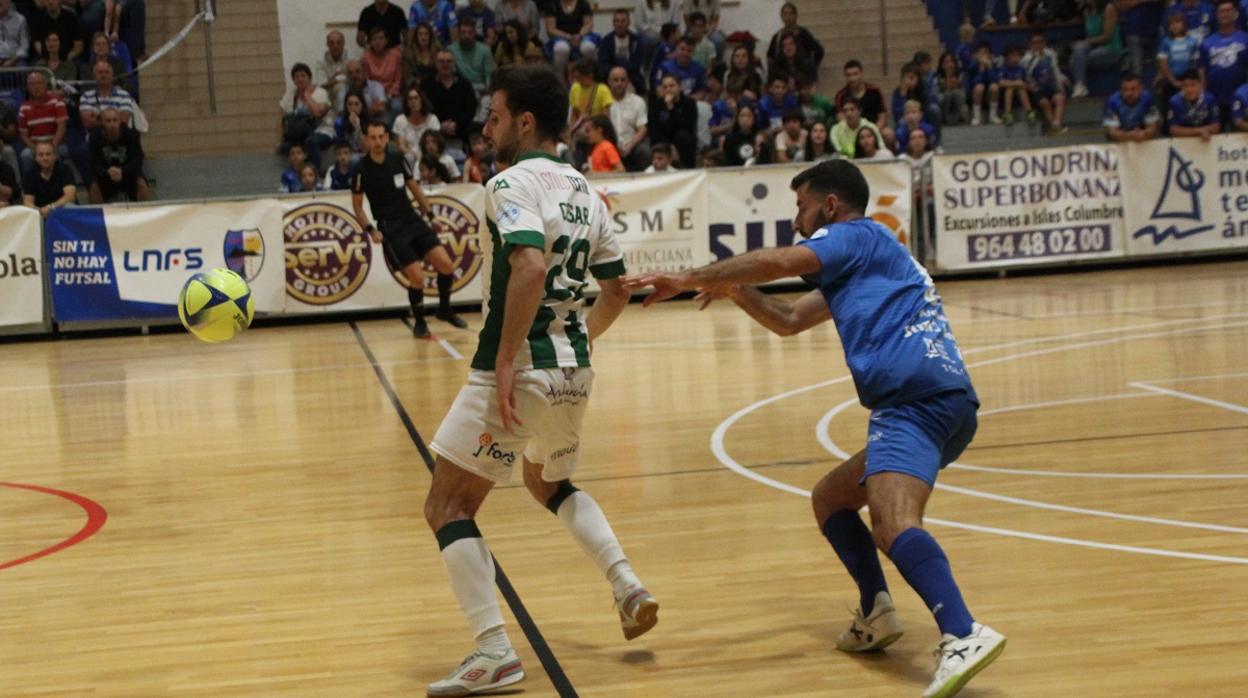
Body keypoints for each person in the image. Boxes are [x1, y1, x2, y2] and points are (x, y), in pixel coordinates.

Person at [624, 158, 1007, 698]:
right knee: (831, 498)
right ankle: (877, 610)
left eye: (801, 206)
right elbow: (788, 321)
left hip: (912, 400)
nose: (796, 218)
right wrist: (735, 288)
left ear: (829, 206)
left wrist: (690, 277)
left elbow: (780, 259)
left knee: (894, 523)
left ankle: (963, 632)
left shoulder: (854, 236)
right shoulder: (865, 262)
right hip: (945, 401)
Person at [421, 63, 652, 698]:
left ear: (524, 123)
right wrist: (577, 343)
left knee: (447, 506)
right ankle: (627, 585)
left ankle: (495, 652)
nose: (486, 129)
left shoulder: (508, 182)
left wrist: (505, 361)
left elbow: (526, 269)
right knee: (546, 481)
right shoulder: (587, 192)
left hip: (519, 368)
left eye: (493, 117)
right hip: (573, 369)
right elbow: (616, 291)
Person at [352, 120, 465, 337]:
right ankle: (420, 322)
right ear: (366, 140)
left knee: (446, 265)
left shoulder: (397, 159)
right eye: (373, 137)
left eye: (381, 137)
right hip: (390, 227)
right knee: (417, 277)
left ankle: (444, 309)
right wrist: (371, 230)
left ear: (387, 138)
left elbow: (414, 188)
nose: (377, 141)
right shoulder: (361, 169)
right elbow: (357, 205)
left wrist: (431, 215)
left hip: (412, 219)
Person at [1199, 0, 1248, 129]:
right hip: (1215, 98)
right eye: (1222, 11)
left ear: (1236, 13)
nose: (1225, 14)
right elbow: (1202, 70)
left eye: (1228, 10)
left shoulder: (1245, 39)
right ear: (1216, 15)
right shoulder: (1206, 43)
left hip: (1241, 99)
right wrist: (1204, 95)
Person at [279, 62, 334, 166]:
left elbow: (318, 113)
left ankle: (316, 171)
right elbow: (283, 118)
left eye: (303, 76)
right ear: (293, 80)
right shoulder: (291, 94)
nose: (300, 79)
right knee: (285, 147)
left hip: (322, 131)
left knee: (310, 141)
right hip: (300, 133)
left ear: (309, 78)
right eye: (297, 76)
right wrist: (280, 139)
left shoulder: (320, 92)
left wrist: (307, 95)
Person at [88, 107, 148, 202]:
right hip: (105, 175)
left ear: (120, 121)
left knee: (141, 183)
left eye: (115, 120)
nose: (112, 124)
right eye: (108, 121)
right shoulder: (95, 136)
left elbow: (137, 160)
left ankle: (143, 210)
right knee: (94, 186)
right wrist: (107, 172)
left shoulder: (132, 135)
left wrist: (122, 172)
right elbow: (93, 162)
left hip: (128, 174)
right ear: (102, 123)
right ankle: (98, 211)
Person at [422, 49, 479, 144]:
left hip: (460, 129)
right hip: (433, 128)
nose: (445, 65)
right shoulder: (426, 84)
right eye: (441, 62)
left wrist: (456, 124)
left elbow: (471, 109)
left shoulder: (464, 84)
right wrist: (440, 124)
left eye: (448, 61)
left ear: (454, 64)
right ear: (435, 64)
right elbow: (423, 108)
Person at [17, 71, 69, 173]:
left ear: (45, 86)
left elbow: (62, 128)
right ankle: (30, 182)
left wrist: (51, 147)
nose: (36, 87)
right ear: (28, 88)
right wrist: (37, 149)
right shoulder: (24, 108)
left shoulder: (57, 101)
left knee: (54, 154)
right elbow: (24, 136)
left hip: (57, 145)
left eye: (39, 83)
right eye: (32, 84)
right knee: (26, 155)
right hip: (35, 147)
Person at [1070, 0, 1124, 98]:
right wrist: (1083, 43)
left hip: (1111, 48)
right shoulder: (1086, 12)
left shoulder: (1109, 8)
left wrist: (1086, 42)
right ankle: (1080, 86)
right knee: (1078, 49)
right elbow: (1090, 35)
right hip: (1094, 47)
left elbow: (1107, 37)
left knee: (1075, 60)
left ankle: (1080, 85)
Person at [647, 72, 697, 166]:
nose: (668, 89)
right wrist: (669, 146)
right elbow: (654, 131)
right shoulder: (656, 106)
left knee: (683, 136)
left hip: (683, 141)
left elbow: (686, 126)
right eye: (665, 87)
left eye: (672, 86)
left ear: (679, 87)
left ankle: (687, 169)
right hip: (663, 141)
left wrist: (671, 109)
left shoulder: (689, 103)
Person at [606, 65, 649, 171]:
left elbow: (642, 129)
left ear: (628, 82)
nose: (619, 83)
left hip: (631, 146)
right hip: (609, 147)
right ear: (609, 82)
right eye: (616, 80)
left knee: (644, 151)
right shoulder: (603, 103)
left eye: (623, 80)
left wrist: (629, 146)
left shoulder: (638, 101)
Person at [1023, 32, 1068, 131]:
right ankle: (1054, 126)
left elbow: (1055, 71)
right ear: (1030, 44)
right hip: (1037, 90)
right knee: (1045, 103)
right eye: (1035, 42)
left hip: (1051, 87)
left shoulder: (1050, 54)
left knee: (1060, 98)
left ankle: (1057, 123)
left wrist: (1061, 83)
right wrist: (1036, 57)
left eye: (1041, 42)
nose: (1038, 45)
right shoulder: (1026, 59)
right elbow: (1026, 77)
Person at [1156, 9, 1201, 106]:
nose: (1174, 26)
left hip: (1188, 79)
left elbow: (1196, 63)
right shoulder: (1166, 42)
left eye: (1177, 22)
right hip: (1171, 80)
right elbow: (1163, 64)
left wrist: (1194, 81)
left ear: (1184, 24)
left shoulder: (1192, 41)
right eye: (1171, 24)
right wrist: (1173, 81)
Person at [546, 0, 599, 80]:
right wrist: (567, 36)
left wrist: (579, 35)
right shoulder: (553, 4)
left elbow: (588, 25)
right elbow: (550, 29)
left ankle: (594, 78)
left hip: (581, 36)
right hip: (560, 37)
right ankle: (559, 80)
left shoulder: (583, 3)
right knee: (561, 48)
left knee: (588, 47)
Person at [835, 59, 889, 136]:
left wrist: (872, 132)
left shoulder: (875, 91)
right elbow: (841, 118)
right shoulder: (841, 95)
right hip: (851, 132)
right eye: (849, 75)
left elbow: (882, 116)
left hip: (873, 130)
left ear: (861, 73)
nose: (852, 78)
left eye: (855, 74)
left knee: (888, 133)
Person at [766, 2, 824, 72]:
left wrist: (811, 68)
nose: (788, 17)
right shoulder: (777, 36)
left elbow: (819, 50)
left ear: (795, 15)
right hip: (784, 74)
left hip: (802, 74)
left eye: (790, 14)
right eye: (785, 14)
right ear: (781, 17)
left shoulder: (803, 33)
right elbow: (770, 56)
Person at [22, 140, 75, 216]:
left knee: (70, 206)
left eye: (48, 154)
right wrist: (39, 211)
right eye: (41, 155)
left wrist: (50, 207)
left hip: (61, 209)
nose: (44, 158)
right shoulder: (29, 173)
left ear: (55, 156)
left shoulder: (65, 170)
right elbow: (27, 202)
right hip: (41, 212)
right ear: (36, 158)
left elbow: (70, 197)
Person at [1103, 72, 1162, 140]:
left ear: (1141, 88)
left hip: (1143, 137)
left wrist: (1144, 133)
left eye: (1133, 89)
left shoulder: (1148, 99)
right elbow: (1112, 132)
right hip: (1119, 140)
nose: (1129, 93)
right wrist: (1130, 135)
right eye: (1125, 89)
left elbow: (1153, 128)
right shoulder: (1113, 102)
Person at [392, 86, 439, 168]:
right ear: (406, 102)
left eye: (416, 98)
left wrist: (424, 157)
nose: (413, 101)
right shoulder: (400, 120)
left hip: (429, 155)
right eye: (410, 99)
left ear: (422, 100)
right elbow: (401, 146)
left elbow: (436, 143)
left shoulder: (432, 119)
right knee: (408, 158)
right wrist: (415, 155)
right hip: (411, 156)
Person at [598, 9, 644, 92]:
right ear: (613, 23)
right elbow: (603, 64)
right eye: (617, 21)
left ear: (628, 23)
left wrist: (623, 69)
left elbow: (637, 64)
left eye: (623, 21)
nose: (619, 24)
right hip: (611, 76)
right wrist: (617, 72)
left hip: (630, 77)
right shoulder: (606, 41)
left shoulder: (636, 40)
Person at [1167, 67, 1220, 137]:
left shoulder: (1209, 98)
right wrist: (1199, 131)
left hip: (1205, 138)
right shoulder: (1174, 101)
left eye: (1193, 85)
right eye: (1185, 86)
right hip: (1183, 139)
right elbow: (1173, 130)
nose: (1189, 89)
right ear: (1181, 87)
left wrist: (1200, 131)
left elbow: (1216, 127)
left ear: (1200, 85)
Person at [363, 26, 403, 113]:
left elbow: (398, 79)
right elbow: (367, 80)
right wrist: (379, 96)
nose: (378, 42)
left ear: (386, 40)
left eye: (381, 38)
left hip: (392, 93)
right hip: (374, 94)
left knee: (397, 106)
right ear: (370, 42)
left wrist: (389, 94)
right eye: (374, 39)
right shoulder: (366, 57)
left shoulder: (396, 55)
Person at [967, 42, 1001, 126]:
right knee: (979, 87)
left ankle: (993, 116)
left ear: (990, 55)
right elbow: (974, 83)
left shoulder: (993, 64)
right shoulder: (972, 65)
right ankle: (976, 117)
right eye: (981, 52)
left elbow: (995, 80)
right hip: (975, 92)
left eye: (986, 52)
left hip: (989, 92)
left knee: (994, 87)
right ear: (976, 55)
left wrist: (989, 68)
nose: (983, 55)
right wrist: (981, 69)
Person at [317, 30, 351, 109]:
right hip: (328, 94)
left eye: (338, 42)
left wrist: (332, 80)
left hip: (348, 94)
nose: (335, 46)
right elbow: (322, 85)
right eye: (332, 43)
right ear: (327, 44)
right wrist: (338, 78)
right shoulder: (321, 60)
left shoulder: (351, 58)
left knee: (341, 87)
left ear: (343, 44)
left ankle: (341, 112)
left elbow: (354, 79)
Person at [935, 51, 968, 125]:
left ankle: (962, 116)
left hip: (959, 99)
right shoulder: (937, 76)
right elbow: (946, 89)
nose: (949, 64)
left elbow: (958, 87)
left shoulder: (961, 75)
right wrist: (948, 74)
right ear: (941, 65)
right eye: (946, 62)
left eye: (951, 61)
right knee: (948, 94)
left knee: (956, 93)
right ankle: (945, 118)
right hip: (944, 101)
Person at [336, 91, 369, 159]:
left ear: (362, 105)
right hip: (348, 157)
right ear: (346, 106)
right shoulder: (340, 122)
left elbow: (367, 149)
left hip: (365, 156)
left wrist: (357, 127)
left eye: (357, 104)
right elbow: (340, 147)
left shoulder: (370, 122)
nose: (353, 107)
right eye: (350, 104)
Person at [0, 0, 30, 67]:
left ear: (9, 2)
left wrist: (13, 59)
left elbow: (24, 45)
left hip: (16, 59)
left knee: (22, 67)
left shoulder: (20, 19)